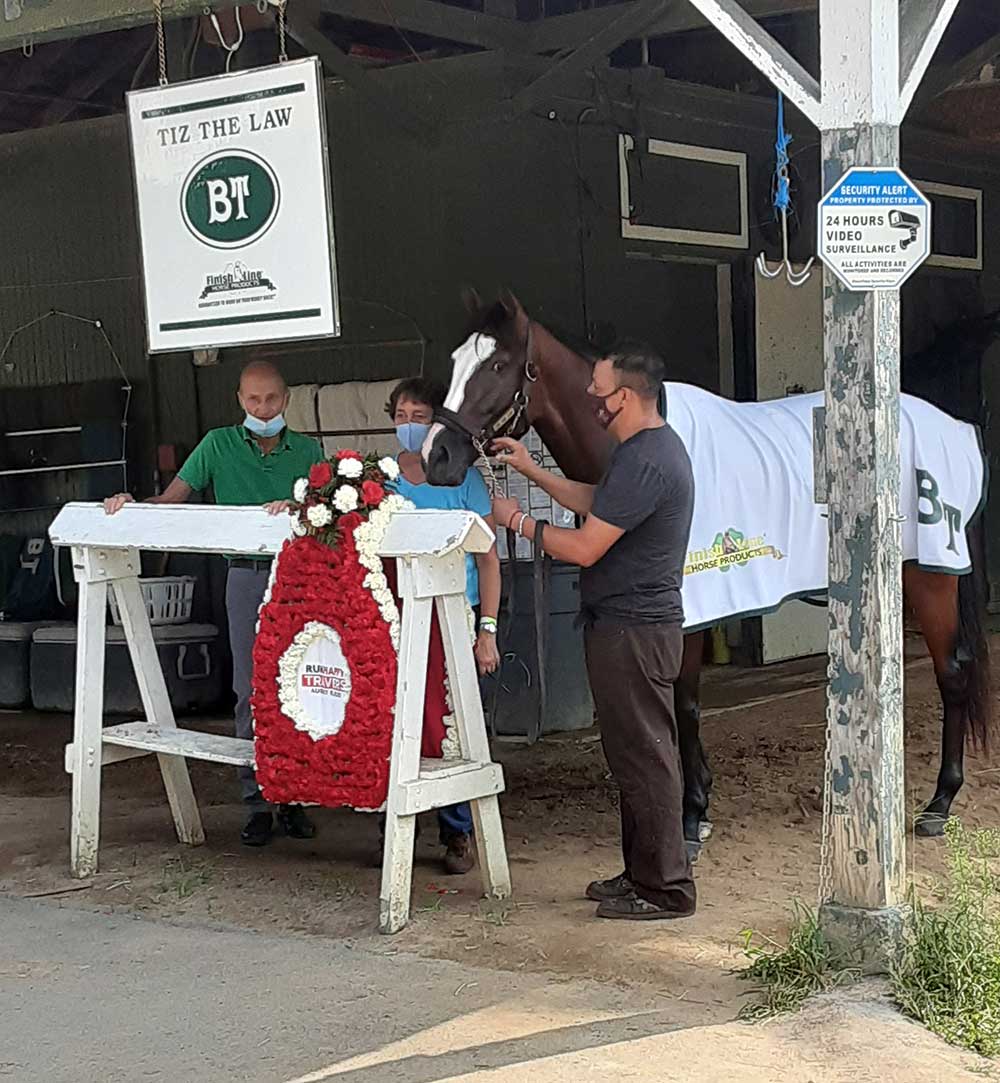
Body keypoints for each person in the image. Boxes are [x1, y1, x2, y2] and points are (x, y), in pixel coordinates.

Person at [491, 342, 696, 920]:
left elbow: (584, 545)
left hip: (634, 629)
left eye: (598, 394)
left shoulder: (649, 458)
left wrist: (519, 521)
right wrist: (533, 471)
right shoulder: (639, 454)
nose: (591, 402)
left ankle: (666, 889)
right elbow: (598, 503)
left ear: (626, 397)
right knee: (633, 755)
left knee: (647, 757)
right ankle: (643, 873)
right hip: (625, 626)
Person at [104, 359, 326, 848]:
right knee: (250, 687)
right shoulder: (217, 445)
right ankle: (258, 801)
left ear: (285, 400)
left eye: (270, 399)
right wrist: (129, 504)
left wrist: (299, 508)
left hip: (301, 580)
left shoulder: (309, 450)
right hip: (244, 576)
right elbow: (171, 501)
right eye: (253, 399)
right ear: (239, 400)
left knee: (303, 684)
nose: (262, 408)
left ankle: (295, 796)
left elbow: (325, 513)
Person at [387, 376, 501, 875]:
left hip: (453, 618)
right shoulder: (379, 479)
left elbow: (491, 561)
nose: (410, 427)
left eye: (420, 417)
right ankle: (393, 824)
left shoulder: (463, 479)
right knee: (394, 723)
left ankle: (457, 834)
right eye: (402, 416)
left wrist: (487, 630)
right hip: (392, 618)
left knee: (449, 727)